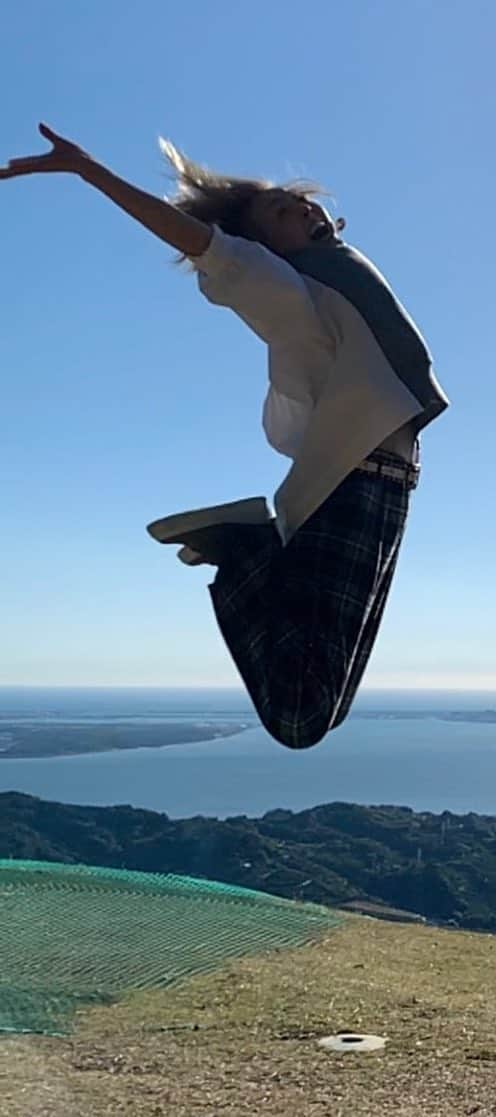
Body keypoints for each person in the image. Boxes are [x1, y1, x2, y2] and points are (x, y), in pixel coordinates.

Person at [1, 124, 447, 749]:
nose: (303, 207)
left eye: (301, 200)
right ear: (260, 243)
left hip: (390, 480)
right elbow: (208, 246)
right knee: (299, 715)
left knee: (327, 705)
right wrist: (90, 171)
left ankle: (250, 547)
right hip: (352, 478)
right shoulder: (285, 287)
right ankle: (243, 546)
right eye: (280, 210)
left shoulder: (339, 272)